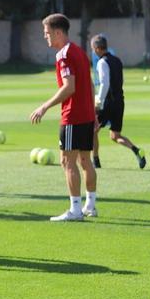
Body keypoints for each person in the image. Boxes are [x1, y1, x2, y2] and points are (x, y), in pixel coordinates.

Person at [30, 14, 97, 220]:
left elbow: (69, 87)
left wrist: (44, 106)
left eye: (47, 33)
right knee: (86, 160)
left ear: (58, 32)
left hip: (73, 116)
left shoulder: (64, 55)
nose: (45, 37)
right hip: (86, 115)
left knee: (67, 162)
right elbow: (91, 84)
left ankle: (75, 209)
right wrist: (93, 113)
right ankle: (90, 206)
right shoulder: (79, 51)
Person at [90, 34, 146, 170]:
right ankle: (136, 150)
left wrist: (99, 102)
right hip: (120, 101)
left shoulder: (102, 62)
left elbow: (104, 84)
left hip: (108, 102)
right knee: (115, 135)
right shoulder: (117, 60)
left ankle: (95, 160)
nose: (92, 51)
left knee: (92, 130)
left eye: (93, 48)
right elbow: (120, 81)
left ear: (97, 48)